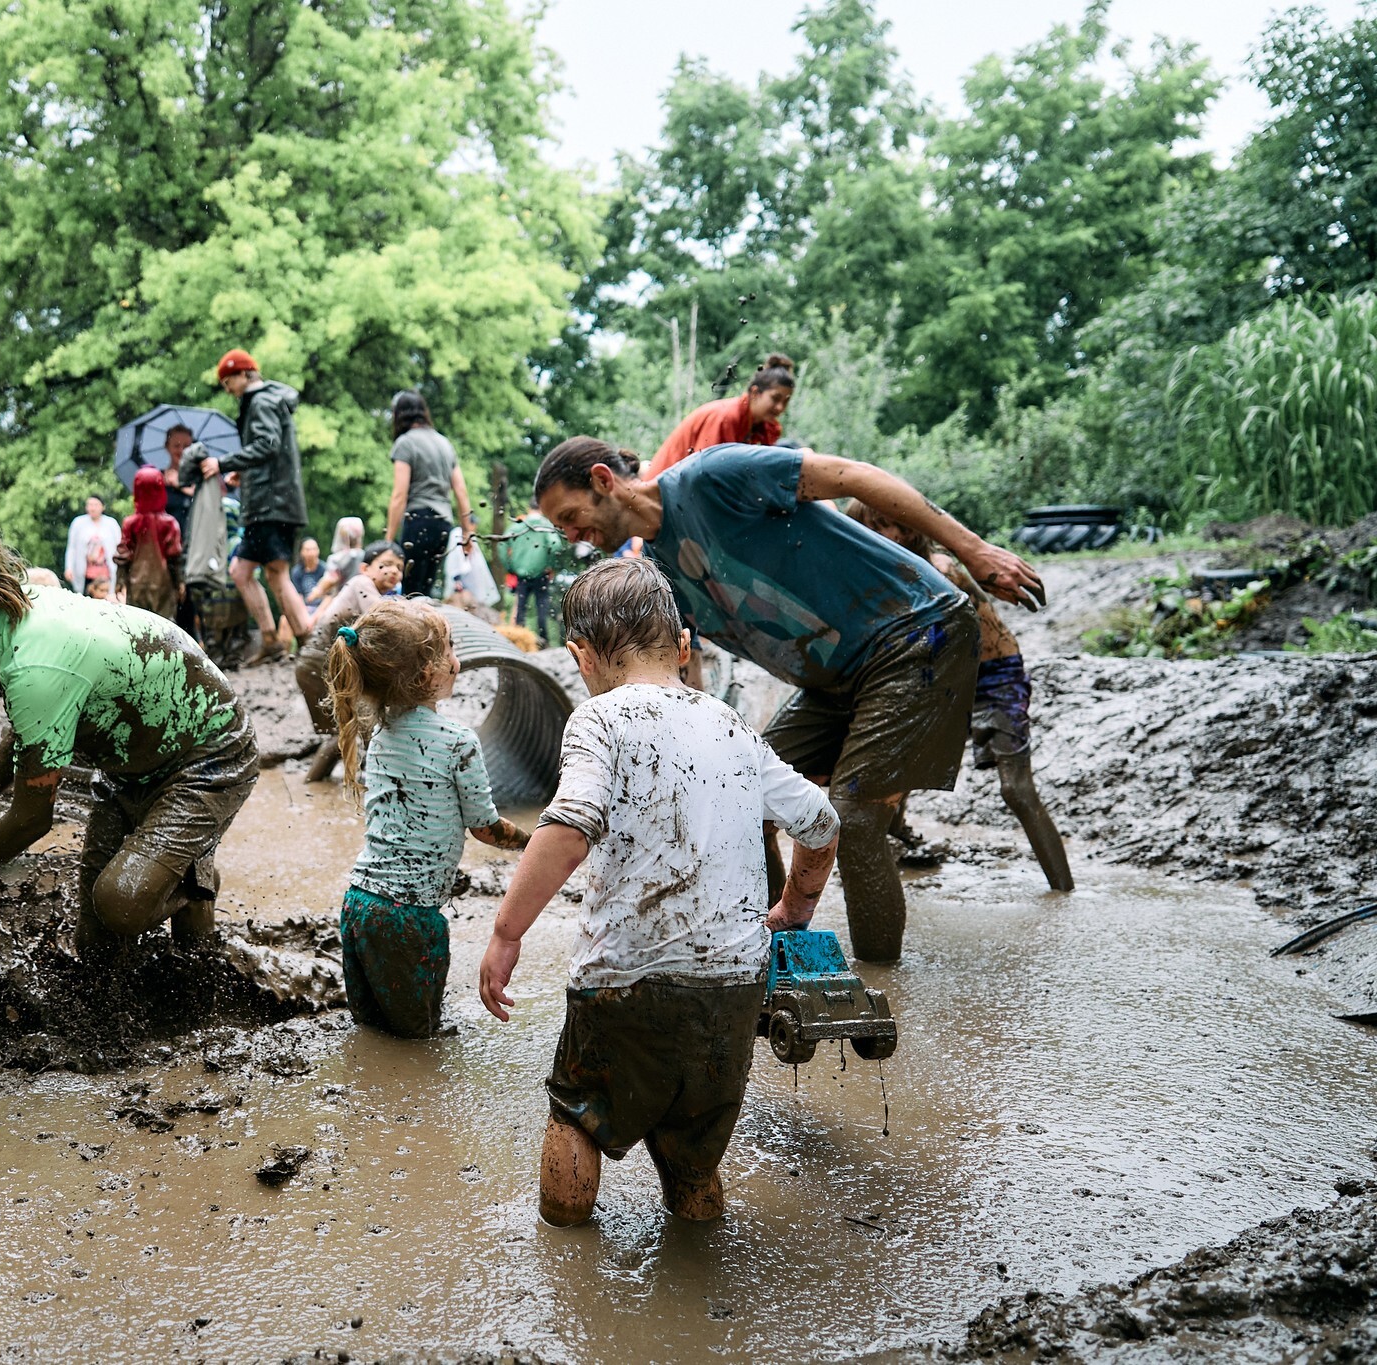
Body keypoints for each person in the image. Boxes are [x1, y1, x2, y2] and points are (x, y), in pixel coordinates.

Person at [532, 437, 1043, 963]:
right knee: (743, 801)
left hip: (913, 631)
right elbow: (678, 673)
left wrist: (974, 549)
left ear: (603, 480)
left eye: (570, 517)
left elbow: (853, 475)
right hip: (835, 680)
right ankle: (768, 959)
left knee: (856, 819)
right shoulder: (661, 568)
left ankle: (876, 990)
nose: (570, 535)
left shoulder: (712, 478)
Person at [477, 558, 840, 1226]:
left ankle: (564, 1244)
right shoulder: (733, 727)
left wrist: (506, 933)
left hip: (625, 979)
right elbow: (822, 822)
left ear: (581, 657)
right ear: (683, 647)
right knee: (694, 1157)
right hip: (733, 985)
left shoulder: (598, 720)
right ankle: (697, 1253)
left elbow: (569, 829)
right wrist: (795, 906)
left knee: (579, 1112)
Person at [0, 497, 258, 953]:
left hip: (209, 755)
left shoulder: (37, 658)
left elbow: (32, 818)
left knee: (121, 902)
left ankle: (194, 886)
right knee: (95, 946)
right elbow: (27, 739)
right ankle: (184, 901)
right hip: (131, 765)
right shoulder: (14, 614)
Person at [327, 599, 530, 1036]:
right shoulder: (458, 741)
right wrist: (533, 842)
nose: (457, 658)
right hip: (411, 919)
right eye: (450, 648)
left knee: (371, 1031)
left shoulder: (381, 735)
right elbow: (486, 828)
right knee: (421, 1038)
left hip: (359, 905)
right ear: (425, 675)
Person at [847, 502, 1074, 892]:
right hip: (937, 676)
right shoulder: (880, 572)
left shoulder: (939, 568)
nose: (896, 534)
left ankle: (1063, 892)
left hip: (992, 675)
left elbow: (935, 635)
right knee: (891, 776)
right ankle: (900, 844)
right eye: (881, 526)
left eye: (900, 524)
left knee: (1016, 789)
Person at [195, 349, 311, 664]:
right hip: (267, 503)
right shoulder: (266, 400)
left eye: (228, 381)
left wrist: (223, 463)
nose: (227, 389)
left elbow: (267, 445)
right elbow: (270, 451)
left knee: (277, 574)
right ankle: (271, 641)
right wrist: (244, 471)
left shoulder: (260, 402)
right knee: (241, 571)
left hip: (273, 505)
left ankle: (310, 643)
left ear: (244, 374)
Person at [295, 541, 405, 783]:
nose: (393, 571)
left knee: (341, 733)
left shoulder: (375, 592)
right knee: (349, 729)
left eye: (399, 567)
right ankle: (380, 781)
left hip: (317, 664)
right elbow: (382, 617)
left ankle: (313, 786)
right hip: (319, 663)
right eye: (385, 565)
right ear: (365, 568)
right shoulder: (361, 584)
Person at [383, 390, 475, 599]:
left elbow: (399, 495)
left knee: (410, 590)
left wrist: (388, 541)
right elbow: (461, 491)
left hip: (418, 520)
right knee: (425, 590)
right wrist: (467, 532)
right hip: (443, 524)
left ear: (399, 414)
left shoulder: (405, 443)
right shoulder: (444, 443)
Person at [644, 353, 796, 479]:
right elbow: (701, 474)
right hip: (659, 494)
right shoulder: (726, 417)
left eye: (786, 401)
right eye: (775, 398)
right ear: (755, 393)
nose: (780, 407)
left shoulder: (764, 427)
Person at [116, 465, 186, 620]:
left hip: (136, 584)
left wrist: (120, 581)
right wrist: (180, 582)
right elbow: (175, 558)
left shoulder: (130, 523)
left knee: (138, 625)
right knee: (164, 626)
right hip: (163, 584)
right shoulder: (169, 523)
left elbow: (123, 556)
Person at [501, 499, 562, 643]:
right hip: (541, 574)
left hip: (522, 574)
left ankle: (518, 641)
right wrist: (549, 564)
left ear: (529, 508)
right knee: (542, 607)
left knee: (520, 608)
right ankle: (544, 640)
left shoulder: (519, 525)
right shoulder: (545, 525)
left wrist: (510, 566)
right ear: (541, 508)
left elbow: (502, 543)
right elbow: (555, 544)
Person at [64, 496, 120, 596]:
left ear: (103, 507)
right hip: (86, 572)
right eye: (90, 505)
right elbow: (72, 548)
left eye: (96, 505)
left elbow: (119, 546)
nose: (93, 508)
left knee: (106, 597)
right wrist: (69, 567)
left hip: (106, 572)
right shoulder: (78, 523)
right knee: (86, 596)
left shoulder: (111, 524)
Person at [308, 517, 365, 606]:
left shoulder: (337, 558)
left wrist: (315, 594)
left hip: (342, 602)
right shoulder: (364, 555)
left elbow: (331, 579)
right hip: (361, 600)